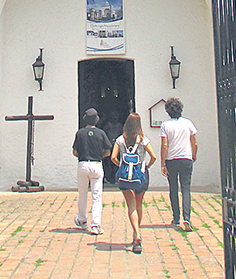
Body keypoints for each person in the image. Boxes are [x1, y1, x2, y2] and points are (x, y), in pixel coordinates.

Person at [111, 112, 157, 253]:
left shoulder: (120, 140)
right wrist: (147, 166)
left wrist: (121, 166)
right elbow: (154, 156)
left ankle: (136, 233)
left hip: (125, 176)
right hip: (141, 175)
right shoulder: (143, 140)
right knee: (138, 204)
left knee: (131, 206)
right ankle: (136, 234)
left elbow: (113, 157)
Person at [159, 97, 198, 231]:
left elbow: (164, 145)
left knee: (173, 189)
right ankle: (187, 218)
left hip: (171, 159)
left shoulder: (165, 125)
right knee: (186, 188)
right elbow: (194, 142)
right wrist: (194, 154)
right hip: (186, 158)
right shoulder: (188, 123)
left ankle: (176, 218)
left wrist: (163, 163)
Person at [72, 107, 112, 235]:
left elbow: (75, 152)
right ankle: (95, 225)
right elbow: (108, 151)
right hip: (96, 164)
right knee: (97, 196)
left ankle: (82, 220)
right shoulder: (101, 133)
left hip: (83, 164)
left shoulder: (80, 133)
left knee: (82, 194)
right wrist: (99, 155)